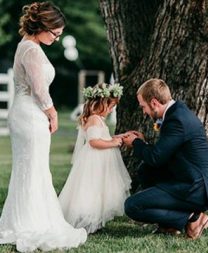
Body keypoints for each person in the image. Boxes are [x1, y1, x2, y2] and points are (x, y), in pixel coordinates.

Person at [0, 2, 87, 252]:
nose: (57, 39)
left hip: (25, 113)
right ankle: (30, 222)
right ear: (43, 26)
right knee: (33, 169)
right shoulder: (31, 50)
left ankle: (27, 218)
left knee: (32, 169)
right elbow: (39, 89)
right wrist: (53, 113)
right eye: (55, 34)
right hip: (30, 115)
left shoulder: (27, 46)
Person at [122, 78, 208, 239]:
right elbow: (163, 153)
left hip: (196, 188)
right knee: (145, 170)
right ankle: (169, 225)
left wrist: (136, 143)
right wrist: (143, 143)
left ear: (153, 103)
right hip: (186, 178)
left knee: (132, 206)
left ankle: (193, 218)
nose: (143, 112)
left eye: (143, 107)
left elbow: (155, 158)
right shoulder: (176, 112)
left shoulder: (177, 119)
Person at [58, 83, 131, 234]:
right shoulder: (94, 119)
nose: (111, 110)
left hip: (98, 160)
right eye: (110, 106)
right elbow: (94, 141)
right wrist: (112, 143)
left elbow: (101, 137)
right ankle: (86, 221)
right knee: (91, 190)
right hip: (93, 161)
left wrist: (116, 137)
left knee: (98, 190)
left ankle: (95, 221)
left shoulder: (97, 119)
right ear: (102, 103)